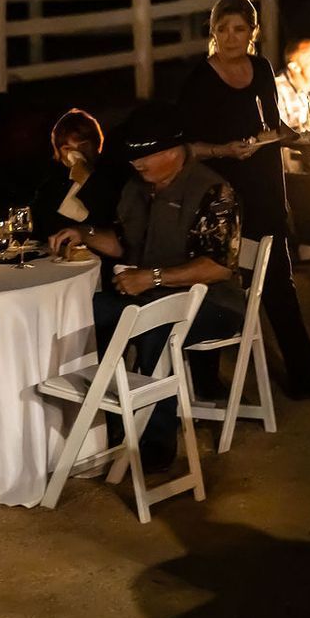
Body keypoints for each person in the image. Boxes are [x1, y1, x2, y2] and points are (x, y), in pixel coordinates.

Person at [49, 104, 245, 472]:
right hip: (150, 294)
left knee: (154, 327)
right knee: (86, 315)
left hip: (214, 302)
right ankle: (100, 422)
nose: (136, 164)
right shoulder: (138, 188)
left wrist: (152, 277)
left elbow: (218, 266)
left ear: (172, 153)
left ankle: (156, 439)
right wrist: (85, 233)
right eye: (133, 157)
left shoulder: (212, 189)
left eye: (144, 157)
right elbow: (124, 243)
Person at [176, 0, 310, 398]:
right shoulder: (200, 79)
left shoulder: (262, 68)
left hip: (265, 188)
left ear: (253, 32)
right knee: (218, 282)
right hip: (222, 193)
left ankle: (304, 373)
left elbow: (271, 123)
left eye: (240, 29)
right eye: (223, 30)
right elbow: (187, 147)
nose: (232, 38)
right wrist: (225, 149)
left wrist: (296, 138)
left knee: (279, 281)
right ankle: (205, 382)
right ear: (213, 33)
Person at [31, 109, 128, 241]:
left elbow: (109, 218)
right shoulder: (52, 184)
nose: (76, 153)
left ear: (96, 145)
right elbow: (40, 224)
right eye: (67, 149)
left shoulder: (113, 175)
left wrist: (87, 178)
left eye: (83, 146)